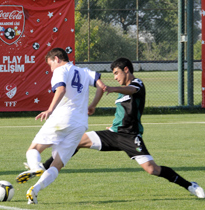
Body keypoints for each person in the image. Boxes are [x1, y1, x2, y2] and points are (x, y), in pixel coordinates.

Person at [27, 57, 205, 199]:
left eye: (116, 73)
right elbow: (122, 112)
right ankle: (43, 167)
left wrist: (111, 88)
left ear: (126, 70)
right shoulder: (122, 89)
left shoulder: (137, 84)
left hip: (130, 137)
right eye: (113, 75)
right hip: (112, 134)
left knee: (153, 169)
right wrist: (100, 111)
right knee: (76, 142)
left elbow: (132, 90)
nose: (115, 77)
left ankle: (190, 185)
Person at [16, 48, 105, 204]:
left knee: (34, 149)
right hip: (80, 123)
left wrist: (50, 109)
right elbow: (102, 86)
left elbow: (61, 89)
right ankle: (35, 190)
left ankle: (35, 167)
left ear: (56, 59)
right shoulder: (84, 71)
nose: (50, 69)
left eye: (50, 64)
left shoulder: (60, 70)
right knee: (57, 164)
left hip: (63, 118)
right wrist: (93, 105)